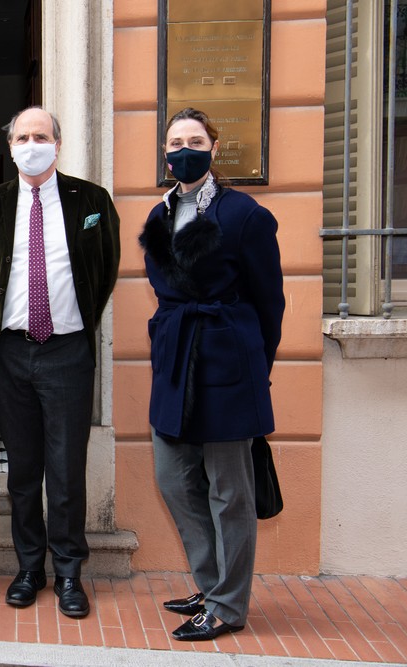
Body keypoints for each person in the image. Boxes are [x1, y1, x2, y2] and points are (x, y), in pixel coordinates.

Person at [139, 107, 285, 641]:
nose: (184, 149)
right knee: (173, 478)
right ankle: (211, 581)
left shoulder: (245, 214)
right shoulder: (159, 215)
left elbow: (270, 300)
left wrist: (254, 364)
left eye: (195, 140)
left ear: (213, 149)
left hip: (228, 360)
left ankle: (227, 605)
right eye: (175, 141)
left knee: (230, 490)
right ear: (165, 152)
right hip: (176, 358)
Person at [0, 107, 120, 618]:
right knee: (23, 470)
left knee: (65, 468)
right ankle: (29, 567)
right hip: (10, 352)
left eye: (41, 135)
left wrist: (73, 321)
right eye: (22, 136)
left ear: (58, 143)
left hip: (66, 351)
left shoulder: (91, 200)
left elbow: (104, 270)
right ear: (9, 145)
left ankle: (70, 573)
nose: (31, 143)